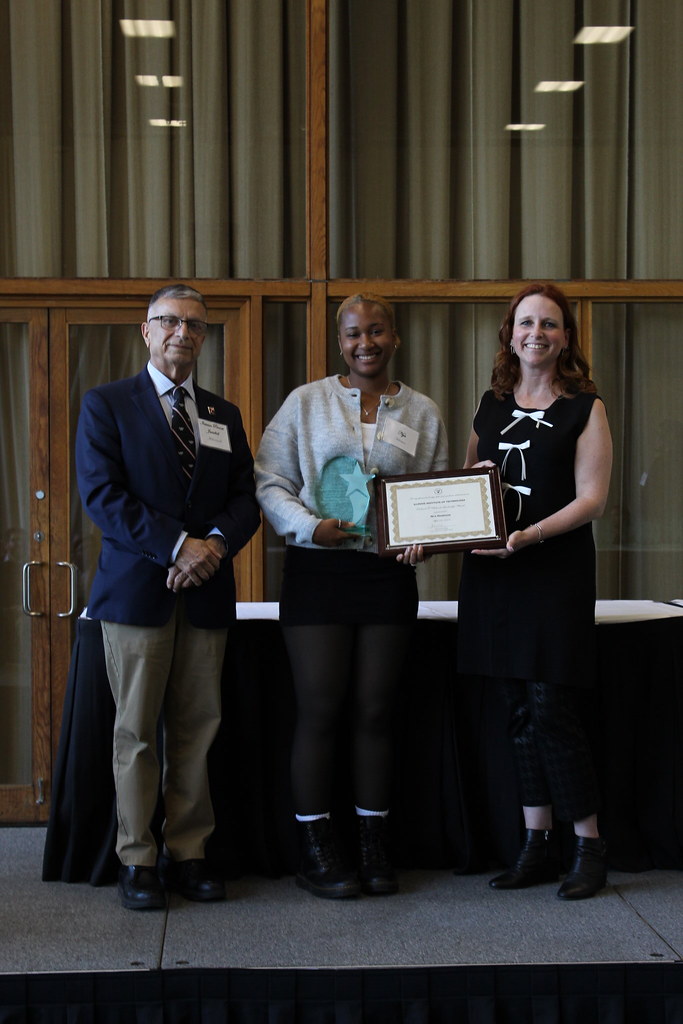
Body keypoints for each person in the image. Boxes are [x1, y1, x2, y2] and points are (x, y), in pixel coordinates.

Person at [255, 294, 448, 899]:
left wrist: (425, 541)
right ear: (339, 341)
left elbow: (437, 493)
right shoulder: (304, 404)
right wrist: (309, 527)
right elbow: (271, 480)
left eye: (376, 331)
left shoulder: (422, 412)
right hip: (317, 573)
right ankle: (317, 849)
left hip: (388, 577)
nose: (364, 342)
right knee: (320, 709)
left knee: (374, 711)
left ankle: (373, 843)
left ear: (395, 337)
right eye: (352, 334)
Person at [76, 283, 260, 910]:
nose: (184, 332)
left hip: (205, 594)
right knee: (136, 732)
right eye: (171, 321)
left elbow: (244, 500)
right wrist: (179, 546)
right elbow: (104, 497)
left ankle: (190, 851)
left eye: (196, 325)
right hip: (135, 595)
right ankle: (138, 859)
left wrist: (211, 546)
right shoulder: (107, 405)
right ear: (147, 331)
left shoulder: (221, 414)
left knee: (197, 729)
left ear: (205, 337)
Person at [457, 282, 613, 901]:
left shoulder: (585, 407)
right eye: (527, 322)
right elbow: (468, 479)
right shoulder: (491, 405)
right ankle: (536, 845)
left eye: (550, 323)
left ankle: (590, 846)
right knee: (517, 715)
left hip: (553, 578)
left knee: (553, 711)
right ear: (510, 333)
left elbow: (593, 499)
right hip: (493, 581)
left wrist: (525, 538)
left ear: (566, 337)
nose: (537, 333)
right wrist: (472, 485)